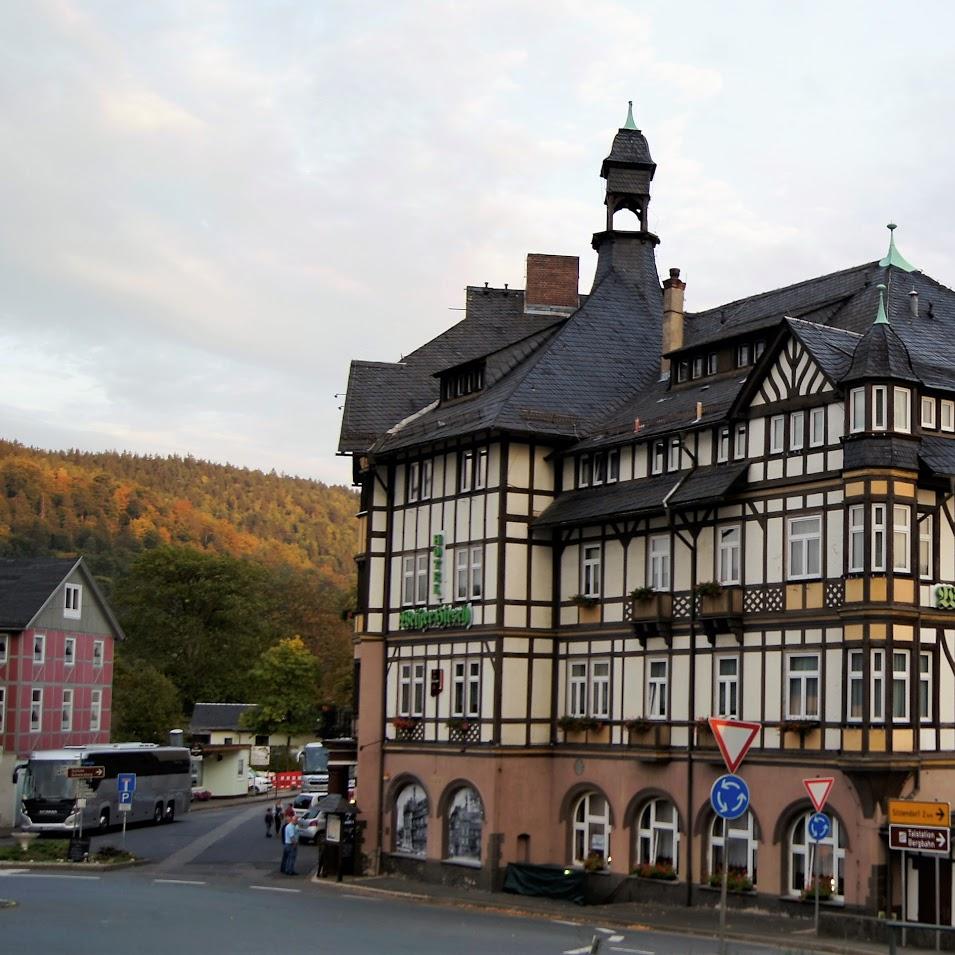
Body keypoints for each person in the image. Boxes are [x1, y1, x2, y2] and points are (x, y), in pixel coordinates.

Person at [281, 808, 299, 875]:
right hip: (290, 844)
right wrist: (295, 844)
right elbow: (292, 837)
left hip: (287, 844)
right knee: (291, 858)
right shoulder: (291, 827)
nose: (297, 822)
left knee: (288, 858)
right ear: (294, 820)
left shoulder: (289, 826)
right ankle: (290, 871)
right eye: (297, 821)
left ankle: (287, 869)